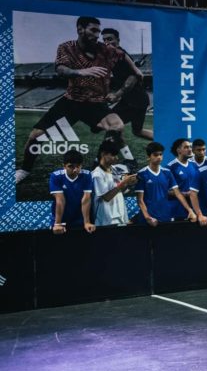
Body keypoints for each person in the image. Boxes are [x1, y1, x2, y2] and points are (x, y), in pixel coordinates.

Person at [17, 16, 138, 184]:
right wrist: (81, 72)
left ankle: (114, 163)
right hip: (71, 103)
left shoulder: (106, 50)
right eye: (93, 30)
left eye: (98, 31)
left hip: (96, 104)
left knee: (117, 127)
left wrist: (119, 93)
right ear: (80, 29)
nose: (97, 35)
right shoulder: (67, 47)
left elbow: (134, 72)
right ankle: (24, 170)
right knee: (36, 136)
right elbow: (61, 69)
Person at [101, 28, 153, 141]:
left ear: (118, 40)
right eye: (104, 40)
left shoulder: (120, 55)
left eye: (110, 39)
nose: (107, 43)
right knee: (137, 131)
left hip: (134, 100)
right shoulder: (116, 55)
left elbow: (133, 78)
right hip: (138, 100)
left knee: (112, 124)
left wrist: (116, 95)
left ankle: (107, 151)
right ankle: (165, 139)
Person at [136, 141, 195, 226]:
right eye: (155, 155)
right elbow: (140, 200)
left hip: (165, 216)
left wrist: (190, 210)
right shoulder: (142, 174)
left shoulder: (167, 173)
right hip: (148, 220)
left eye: (161, 154)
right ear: (149, 157)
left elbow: (178, 194)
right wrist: (148, 217)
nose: (159, 157)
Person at [92, 140, 137, 226]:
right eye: (113, 155)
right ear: (103, 154)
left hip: (120, 215)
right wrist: (123, 182)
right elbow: (106, 197)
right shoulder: (97, 174)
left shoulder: (115, 169)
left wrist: (128, 183)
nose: (116, 158)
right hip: (106, 219)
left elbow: (120, 190)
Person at [49, 149, 95, 234]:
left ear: (81, 165)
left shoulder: (87, 175)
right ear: (64, 166)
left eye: (78, 166)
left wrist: (87, 222)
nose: (75, 170)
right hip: (61, 220)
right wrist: (58, 223)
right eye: (71, 166)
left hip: (80, 220)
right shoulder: (56, 176)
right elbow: (60, 200)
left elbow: (86, 199)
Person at [167, 138, 199, 221]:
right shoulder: (170, 167)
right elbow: (166, 191)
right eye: (186, 147)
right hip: (178, 211)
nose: (190, 149)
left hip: (194, 209)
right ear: (178, 150)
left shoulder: (194, 165)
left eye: (190, 147)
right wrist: (184, 194)